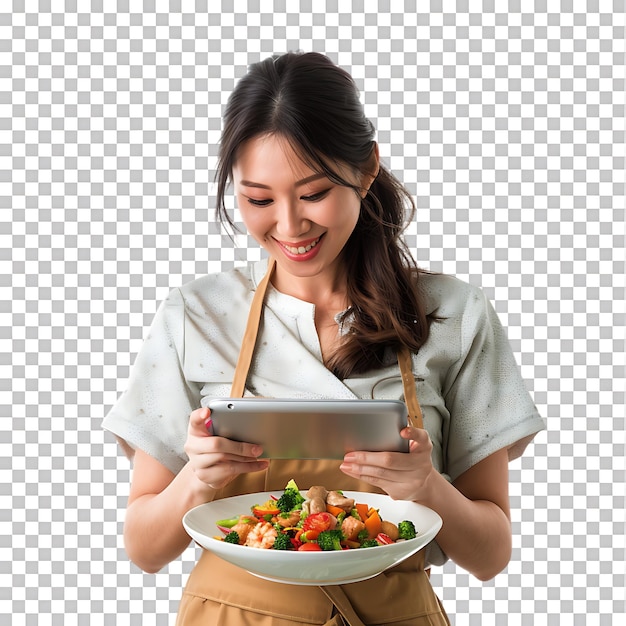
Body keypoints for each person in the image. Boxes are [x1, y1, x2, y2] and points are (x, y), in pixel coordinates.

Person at [103, 51, 545, 625]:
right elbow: (143, 548)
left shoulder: (453, 314)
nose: (289, 227)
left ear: (366, 171)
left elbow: (490, 556)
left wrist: (427, 486)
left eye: (313, 193)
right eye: (259, 200)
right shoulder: (196, 314)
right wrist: (197, 477)